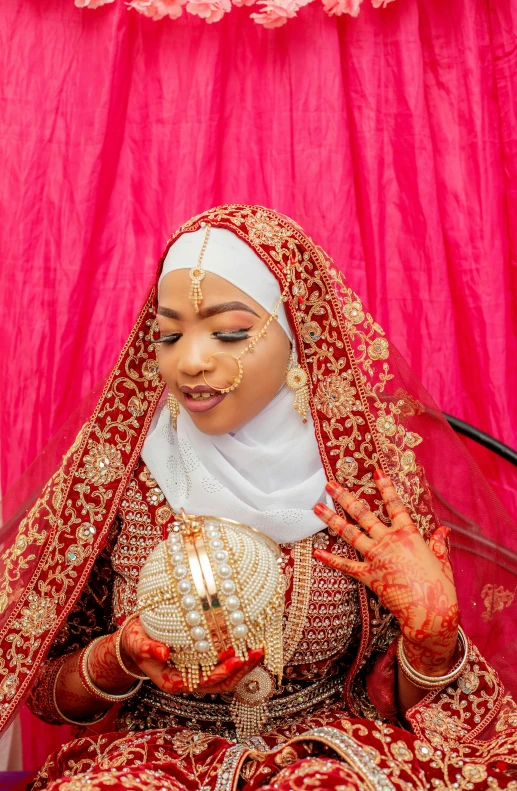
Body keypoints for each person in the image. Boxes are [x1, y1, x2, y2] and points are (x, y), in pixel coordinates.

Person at [1, 204, 516, 790]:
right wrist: (118, 657)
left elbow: (399, 698)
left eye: (229, 332)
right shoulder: (121, 475)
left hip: (326, 758)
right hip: (153, 762)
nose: (189, 360)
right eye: (168, 334)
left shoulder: (362, 480)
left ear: (299, 333)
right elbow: (38, 683)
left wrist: (431, 642)